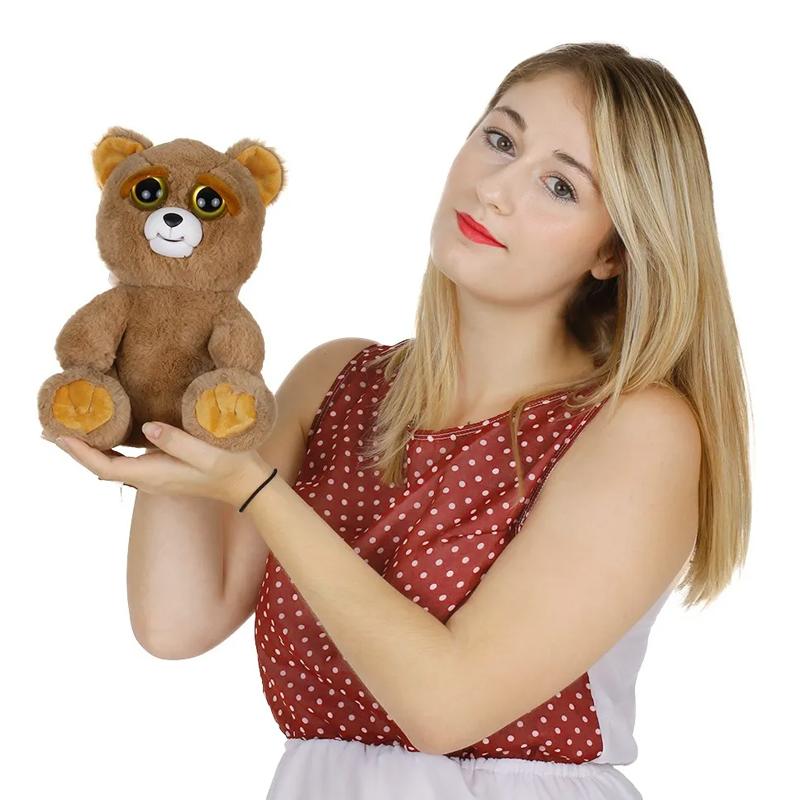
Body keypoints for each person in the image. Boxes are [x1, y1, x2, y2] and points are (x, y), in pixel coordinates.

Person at [44, 42, 751, 800]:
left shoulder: (637, 429)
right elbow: (176, 621)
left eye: (559, 185)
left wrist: (255, 491)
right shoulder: (336, 380)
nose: (495, 190)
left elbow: (446, 707)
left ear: (612, 251)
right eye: (500, 139)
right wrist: (170, 373)